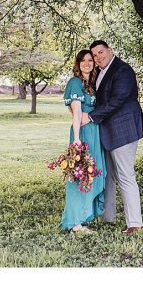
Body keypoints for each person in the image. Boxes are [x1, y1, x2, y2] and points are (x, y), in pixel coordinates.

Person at [83, 40, 143, 234]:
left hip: (123, 130)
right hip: (107, 131)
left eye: (101, 52)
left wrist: (91, 116)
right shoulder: (100, 73)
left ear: (110, 51)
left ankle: (135, 224)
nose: (98, 57)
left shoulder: (122, 70)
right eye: (95, 55)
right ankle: (107, 218)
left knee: (126, 176)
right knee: (109, 176)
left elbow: (118, 100)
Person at [60, 49, 107, 233]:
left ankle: (82, 216)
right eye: (83, 60)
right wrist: (77, 139)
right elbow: (77, 112)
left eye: (90, 60)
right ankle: (75, 223)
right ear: (78, 63)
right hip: (83, 134)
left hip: (95, 133)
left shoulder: (91, 84)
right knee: (79, 177)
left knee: (94, 175)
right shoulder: (75, 82)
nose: (87, 63)